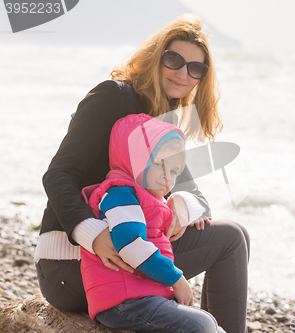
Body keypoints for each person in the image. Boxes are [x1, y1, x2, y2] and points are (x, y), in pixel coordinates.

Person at [34, 14, 249, 333]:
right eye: (174, 59)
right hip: (72, 264)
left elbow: (198, 198)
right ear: (156, 56)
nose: (182, 73)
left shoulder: (164, 126)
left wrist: (181, 205)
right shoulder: (112, 96)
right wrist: (94, 234)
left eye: (195, 68)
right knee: (231, 238)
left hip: (132, 254)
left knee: (236, 235)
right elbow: (58, 174)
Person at [81, 113, 224, 332]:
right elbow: (131, 245)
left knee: (208, 322)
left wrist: (183, 203)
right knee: (201, 324)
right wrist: (177, 279)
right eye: (159, 164)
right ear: (134, 158)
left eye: (174, 171)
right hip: (123, 299)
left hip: (143, 294)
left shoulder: (149, 197)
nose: (167, 177)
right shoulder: (121, 194)